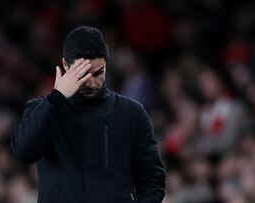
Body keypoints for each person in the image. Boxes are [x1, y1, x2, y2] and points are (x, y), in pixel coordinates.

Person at [11, 25, 166, 203]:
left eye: (98, 73)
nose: (92, 82)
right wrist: (56, 99)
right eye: (83, 74)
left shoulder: (132, 112)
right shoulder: (42, 109)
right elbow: (24, 152)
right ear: (65, 65)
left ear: (106, 64)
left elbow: (152, 178)